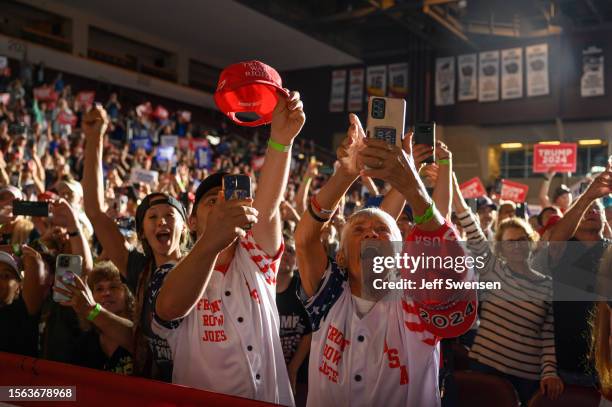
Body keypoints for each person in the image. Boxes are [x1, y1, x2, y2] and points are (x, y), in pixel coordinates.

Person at [295, 114, 477, 406]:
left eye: (382, 231)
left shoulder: (415, 300)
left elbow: (449, 266)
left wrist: (414, 188)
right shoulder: (329, 297)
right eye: (358, 229)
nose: (371, 233)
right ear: (340, 256)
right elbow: (304, 240)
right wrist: (344, 174)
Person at [151, 90, 304, 406]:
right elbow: (168, 309)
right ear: (191, 223)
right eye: (211, 202)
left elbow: (269, 204)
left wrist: (281, 139)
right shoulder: (172, 270)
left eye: (230, 199)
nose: (223, 205)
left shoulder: (257, 262)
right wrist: (212, 240)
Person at [82, 104, 190, 381]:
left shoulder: (199, 266)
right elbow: (94, 210)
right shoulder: (139, 268)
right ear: (142, 232)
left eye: (169, 215)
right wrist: (95, 139)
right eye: (152, 217)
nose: (161, 222)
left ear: (185, 226)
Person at [452, 175, 563, 404]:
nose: (517, 246)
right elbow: (470, 225)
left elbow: (547, 335)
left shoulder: (546, 284)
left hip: (527, 377)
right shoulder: (493, 269)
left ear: (531, 241)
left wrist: (549, 371)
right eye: (509, 242)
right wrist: (449, 174)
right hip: (485, 368)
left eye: (522, 239)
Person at [546, 165, 612, 386]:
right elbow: (556, 238)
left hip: (607, 364)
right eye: (586, 209)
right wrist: (589, 195)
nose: (592, 211)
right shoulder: (562, 250)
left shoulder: (610, 251)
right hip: (567, 367)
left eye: (598, 209)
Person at [65, 262, 134, 375]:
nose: (106, 293)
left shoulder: (142, 334)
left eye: (113, 287)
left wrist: (92, 310)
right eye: (99, 289)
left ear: (128, 293)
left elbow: (133, 337)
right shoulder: (84, 343)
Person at [276, 235, 312, 402]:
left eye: (290, 250)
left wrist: (292, 369)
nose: (284, 254)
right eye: (280, 249)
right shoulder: (260, 288)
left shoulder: (304, 289)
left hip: (300, 375)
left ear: (297, 262)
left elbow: (310, 331)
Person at [0, 246, 46, 357]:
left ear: (19, 287)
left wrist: (17, 248)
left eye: (6, 276)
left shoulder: (22, 310)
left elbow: (33, 261)